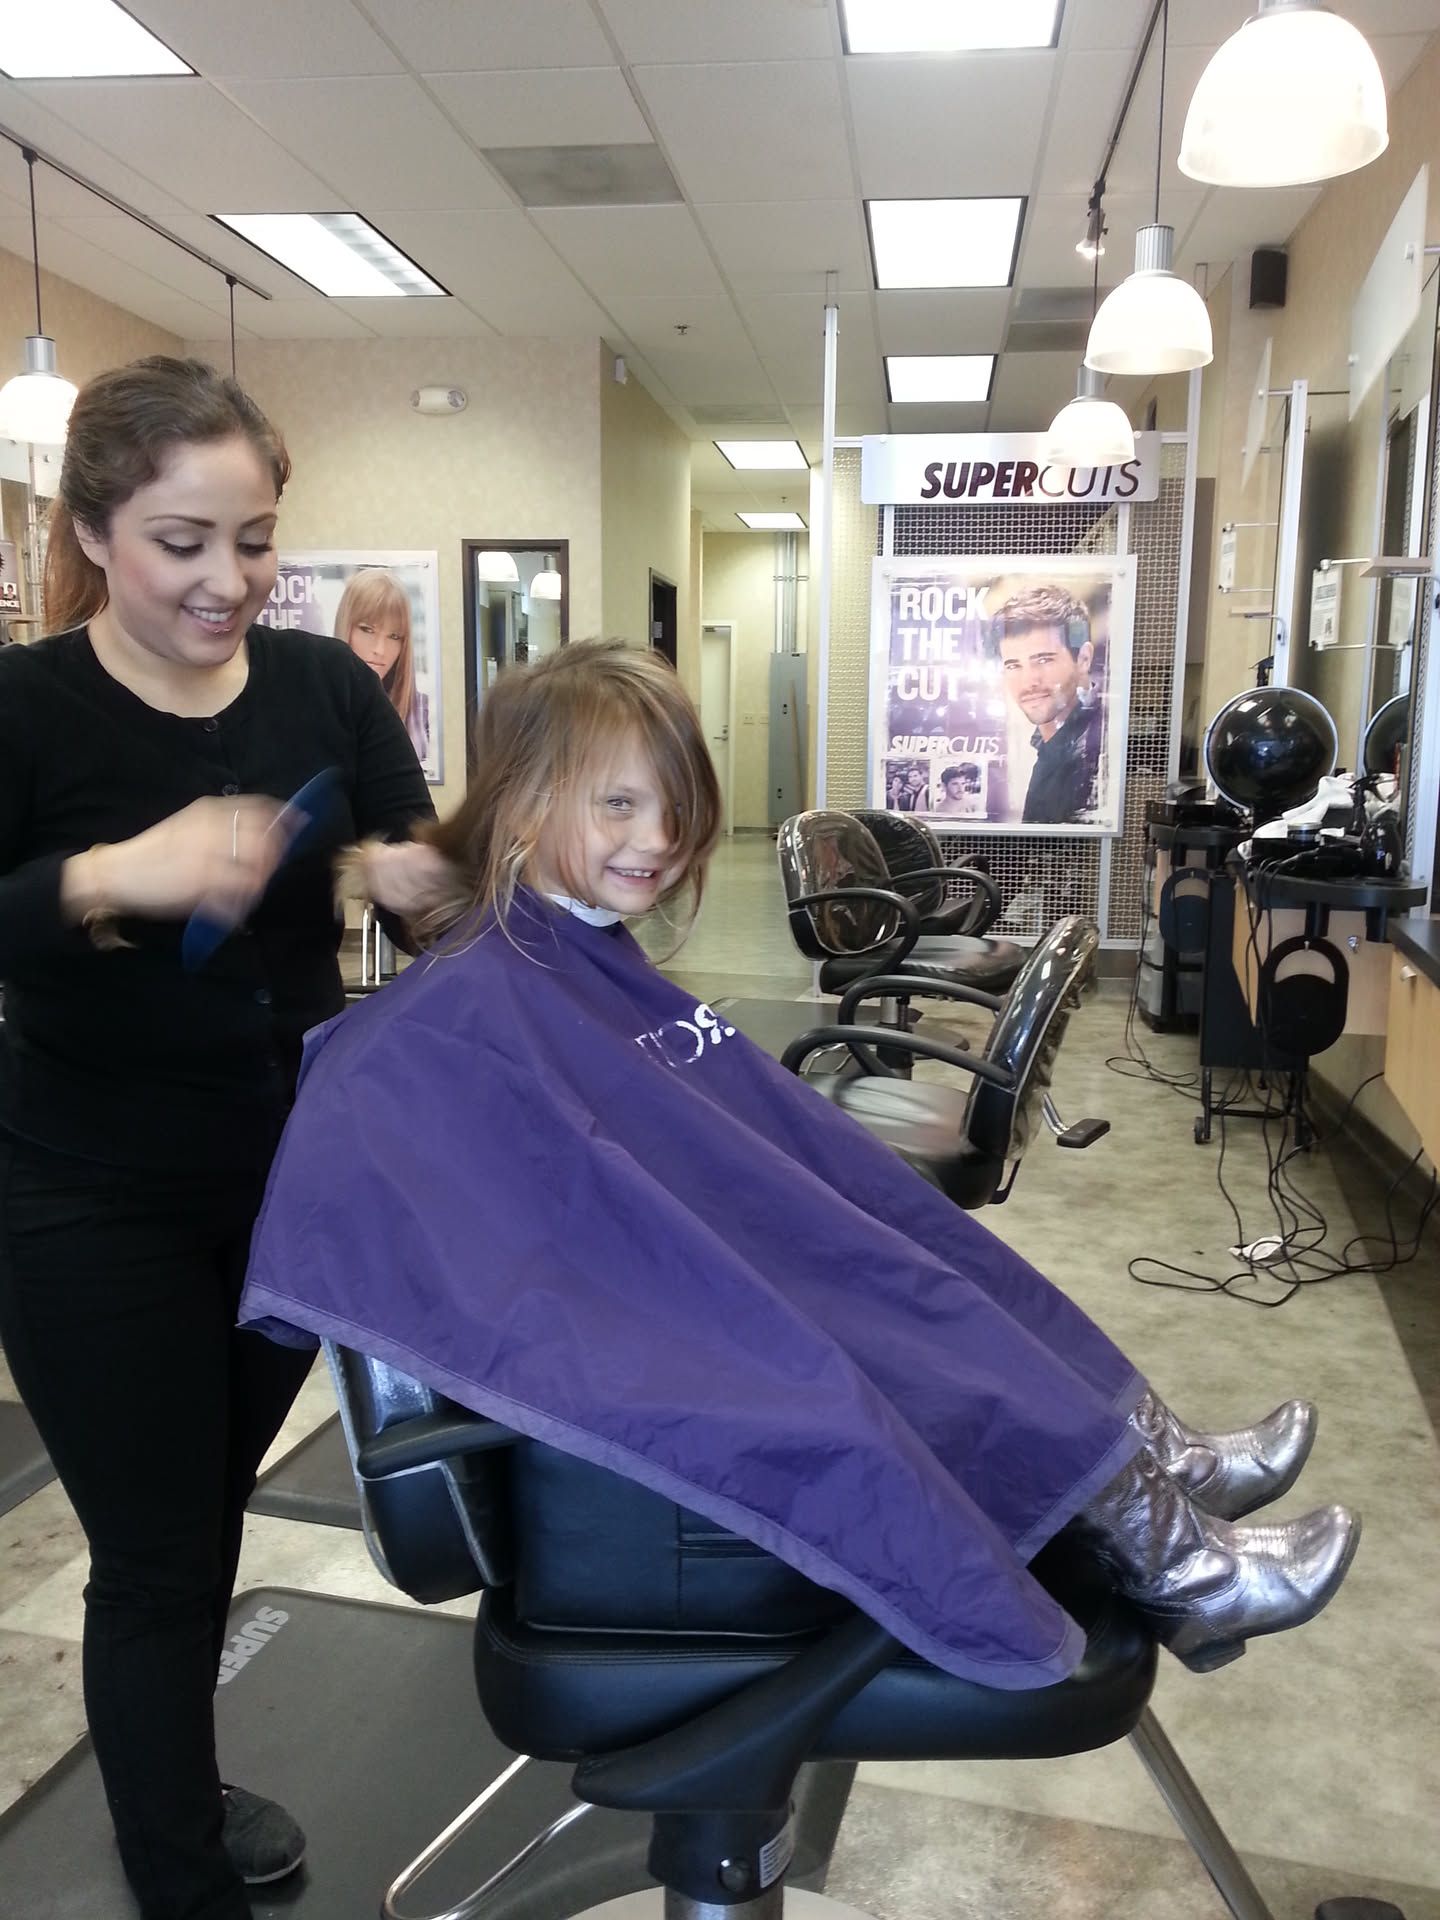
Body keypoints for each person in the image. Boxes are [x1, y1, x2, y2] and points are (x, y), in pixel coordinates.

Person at [240, 641, 1356, 1690]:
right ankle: (1179, 1564)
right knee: (897, 1321)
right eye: (619, 804)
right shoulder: (456, 1012)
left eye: (675, 804)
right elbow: (438, 1184)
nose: (659, 837)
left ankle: (1161, 1470)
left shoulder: (576, 951)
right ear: (525, 802)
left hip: (714, 1255)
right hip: (657, 1318)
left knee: (932, 1257)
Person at [0, 356, 446, 1920]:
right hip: (83, 1197)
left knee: (202, 1514)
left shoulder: (323, 686)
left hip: (287, 1192)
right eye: (181, 542)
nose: (227, 578)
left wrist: (429, 881)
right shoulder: (25, 709)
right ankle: (174, 1863)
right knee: (158, 1553)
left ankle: (174, 1788)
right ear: (92, 532)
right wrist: (109, 876)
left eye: (252, 541)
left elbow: (415, 860)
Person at [990, 585, 1104, 825]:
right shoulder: (1052, 743)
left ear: (1083, 659)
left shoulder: (1094, 750)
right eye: (1013, 665)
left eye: (1043, 660)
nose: (1029, 681)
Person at [335, 566, 430, 769]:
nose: (380, 650)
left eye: (394, 636)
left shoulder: (422, 714)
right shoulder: (318, 708)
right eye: (367, 630)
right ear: (345, 625)